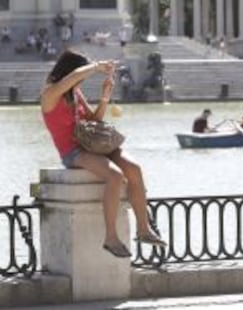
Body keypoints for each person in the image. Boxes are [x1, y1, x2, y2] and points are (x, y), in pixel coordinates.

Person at [40, 50, 166, 258]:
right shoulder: (51, 93)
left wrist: (105, 97)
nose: (82, 81)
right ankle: (110, 237)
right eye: (81, 76)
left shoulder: (75, 93)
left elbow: (94, 119)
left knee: (134, 169)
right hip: (73, 152)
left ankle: (144, 229)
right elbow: (73, 77)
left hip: (93, 145)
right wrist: (97, 66)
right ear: (70, 71)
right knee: (115, 176)